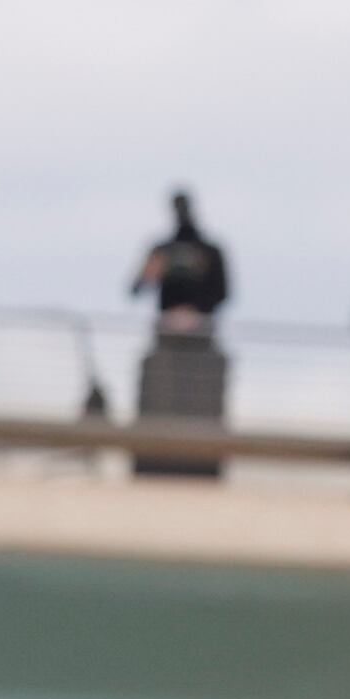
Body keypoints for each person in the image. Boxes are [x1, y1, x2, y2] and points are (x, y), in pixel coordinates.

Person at [125, 191, 232, 482]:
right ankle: (154, 460)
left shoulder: (210, 251)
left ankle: (202, 463)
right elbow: (134, 289)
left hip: (202, 342)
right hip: (165, 342)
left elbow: (224, 292)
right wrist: (153, 273)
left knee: (200, 407)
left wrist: (193, 313)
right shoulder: (162, 249)